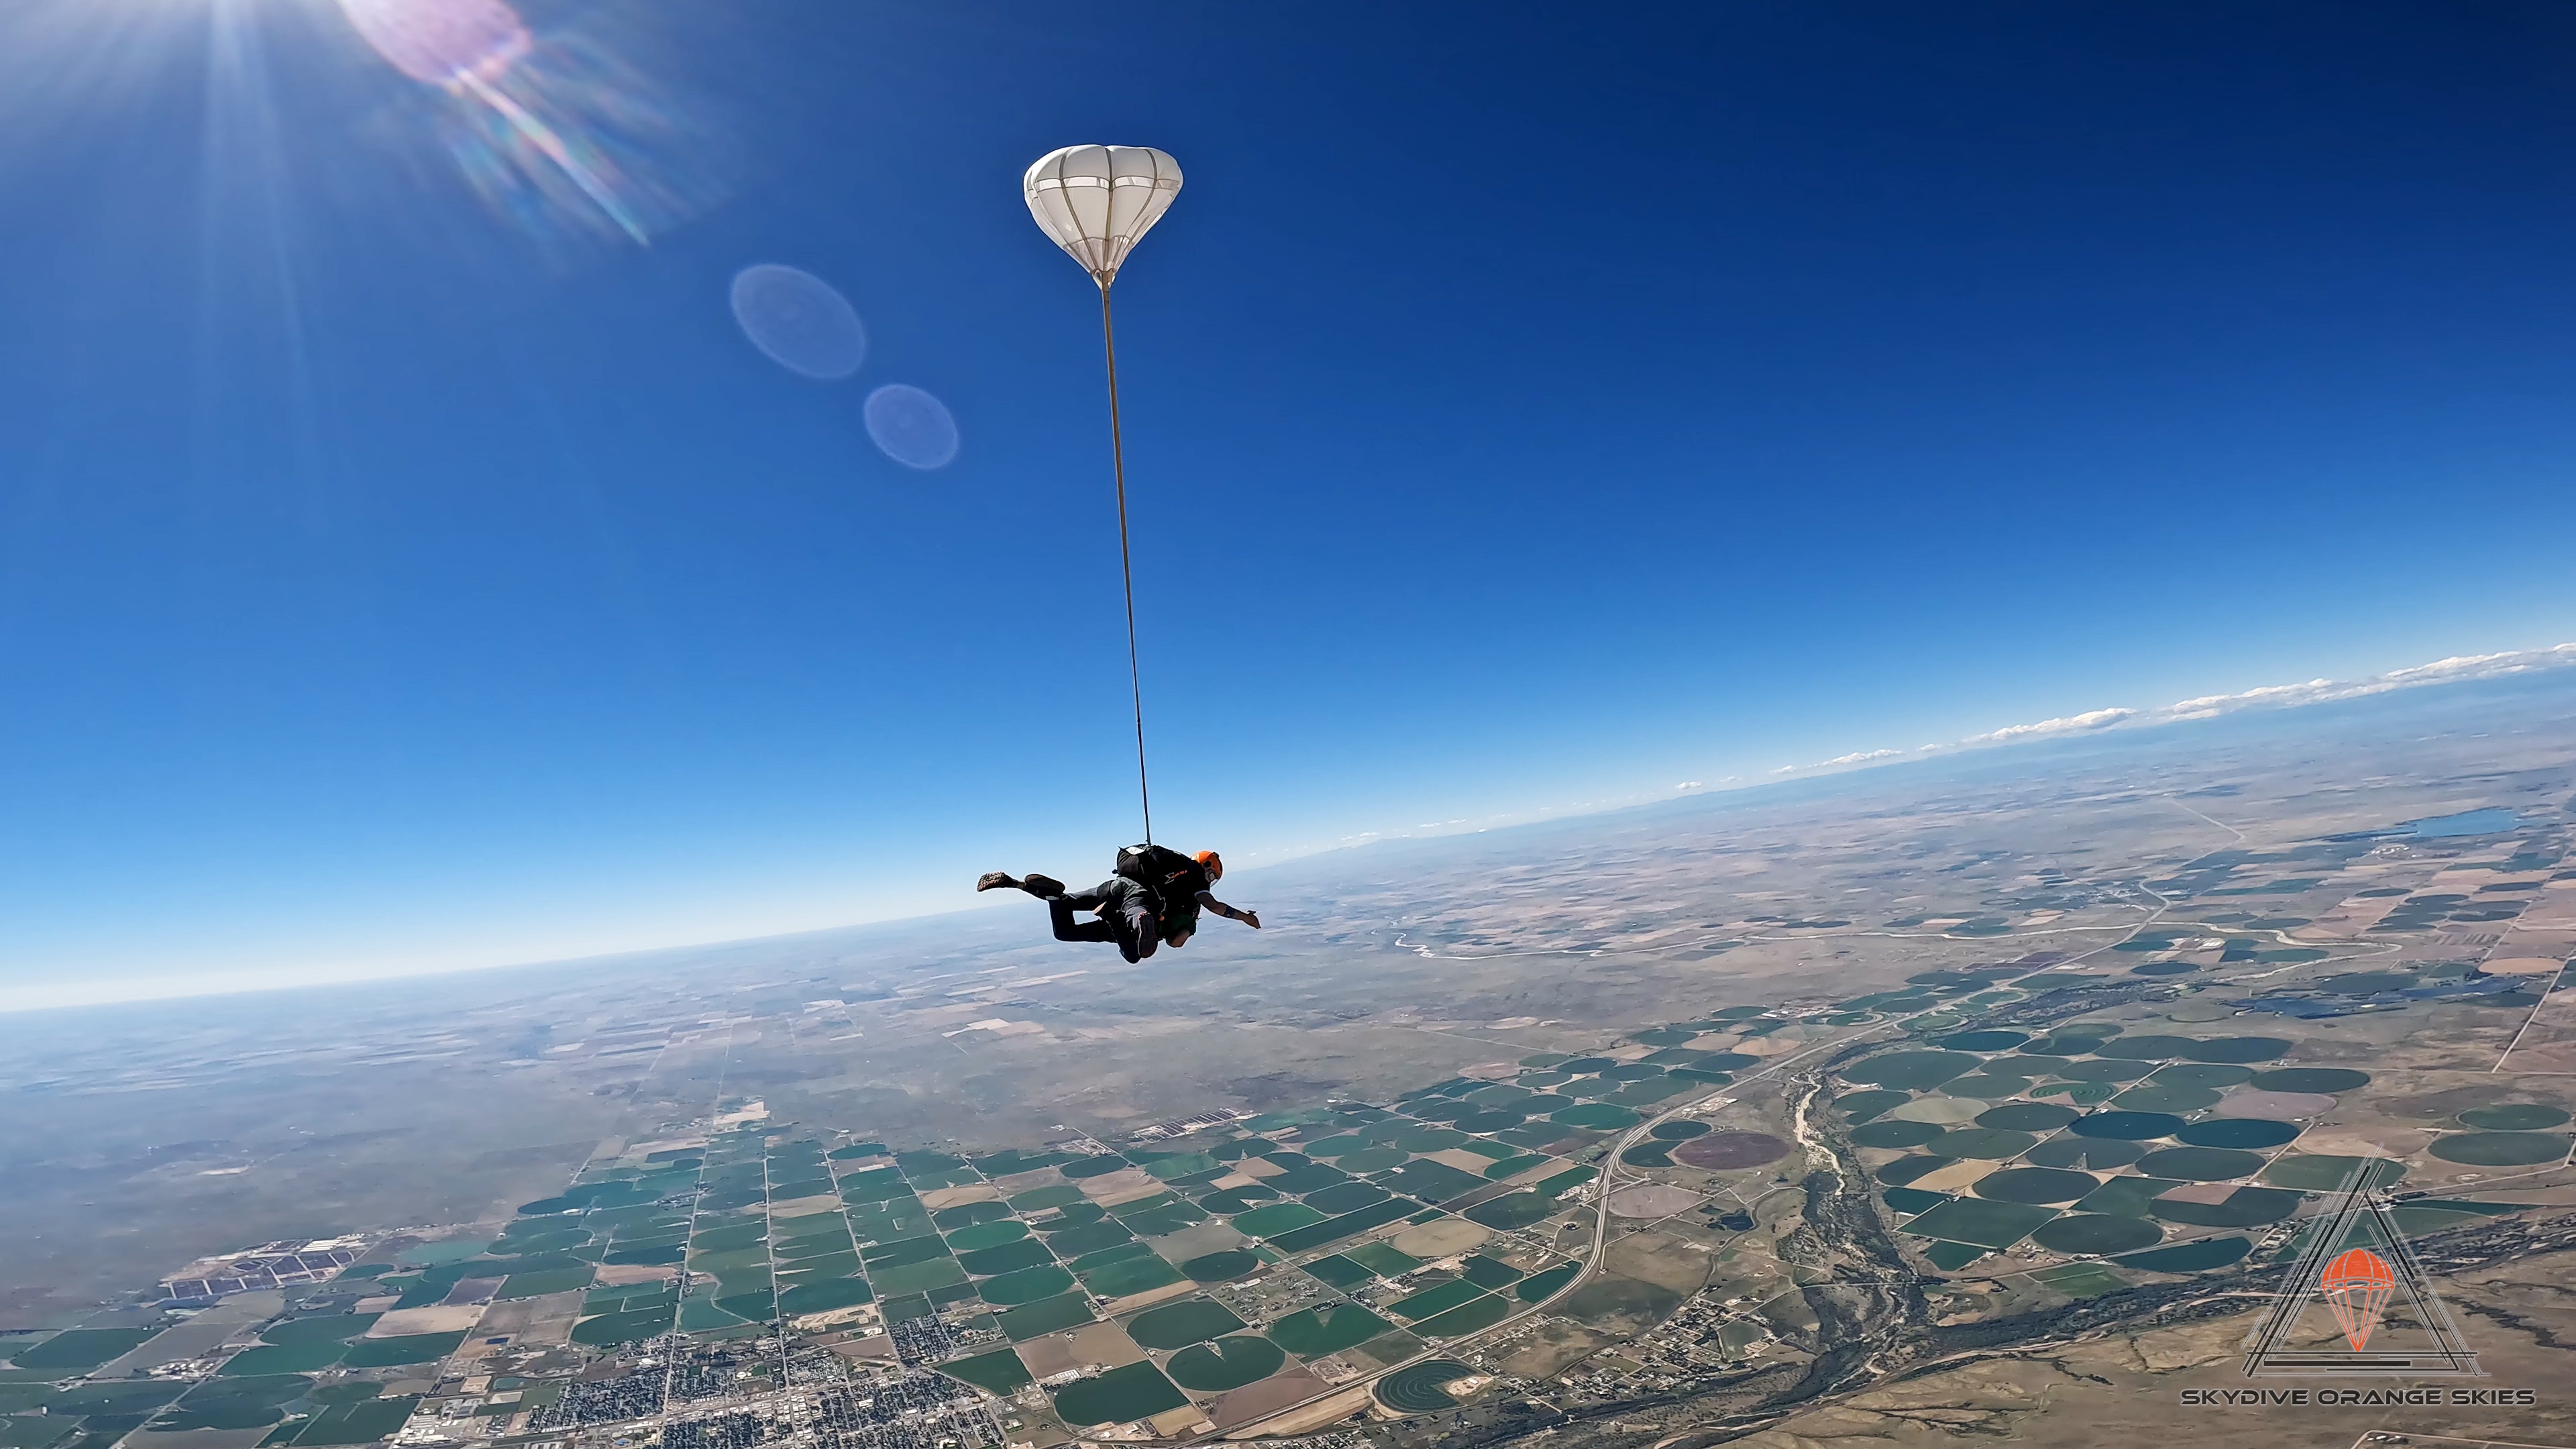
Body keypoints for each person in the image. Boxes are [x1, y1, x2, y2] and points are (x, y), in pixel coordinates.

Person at [978, 847, 1260, 963]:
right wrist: (1244, 917)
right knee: (1136, 951)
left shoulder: (1168, 869)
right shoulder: (1194, 884)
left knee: (1064, 923)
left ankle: (1017, 884)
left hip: (1115, 886)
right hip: (1135, 900)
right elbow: (1201, 918)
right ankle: (1119, 919)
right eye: (1213, 876)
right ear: (1208, 869)